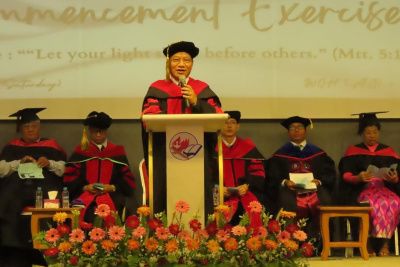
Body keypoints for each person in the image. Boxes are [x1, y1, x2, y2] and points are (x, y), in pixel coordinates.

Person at [141, 41, 223, 215]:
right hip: (165, 154)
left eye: (186, 60)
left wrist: (196, 102)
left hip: (198, 155)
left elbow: (218, 114)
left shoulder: (201, 89)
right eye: (176, 59)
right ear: (168, 63)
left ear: (192, 64)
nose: (181, 64)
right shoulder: (157, 89)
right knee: (165, 198)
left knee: (198, 198)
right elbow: (149, 117)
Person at [0, 108, 66, 247]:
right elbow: (1, 170)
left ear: (39, 127)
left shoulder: (51, 145)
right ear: (20, 129)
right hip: (17, 190)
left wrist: (49, 163)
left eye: (34, 126)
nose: (30, 130)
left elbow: (64, 170)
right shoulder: (12, 147)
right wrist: (18, 163)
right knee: (5, 202)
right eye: (26, 126)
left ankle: (48, 246)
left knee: (52, 202)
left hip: (45, 188)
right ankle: (10, 249)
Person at [338, 112, 400, 256]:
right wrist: (358, 178)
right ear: (362, 133)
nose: (372, 135)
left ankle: (385, 244)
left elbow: (397, 175)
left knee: (394, 202)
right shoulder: (353, 151)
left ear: (378, 132)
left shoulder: (389, 151)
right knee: (370, 204)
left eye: (374, 132)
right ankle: (367, 243)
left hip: (384, 188)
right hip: (362, 189)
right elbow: (346, 175)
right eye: (368, 132)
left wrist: (395, 178)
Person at [265, 116, 335, 237]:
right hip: (290, 191)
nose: (296, 130)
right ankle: (290, 244)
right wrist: (285, 182)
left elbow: (329, 173)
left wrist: (319, 181)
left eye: (300, 127)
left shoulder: (318, 153)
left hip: (315, 190)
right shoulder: (280, 155)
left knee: (324, 200)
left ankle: (320, 244)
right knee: (286, 201)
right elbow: (272, 176)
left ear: (305, 131)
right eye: (292, 128)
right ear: (288, 132)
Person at [63, 111, 136, 222]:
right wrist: (86, 187)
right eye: (94, 131)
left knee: (117, 209)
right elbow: (69, 180)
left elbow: (128, 182)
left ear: (106, 131)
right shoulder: (81, 152)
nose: (98, 134)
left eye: (101, 131)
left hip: (112, 196)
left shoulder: (117, 152)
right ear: (89, 131)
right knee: (85, 212)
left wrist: (111, 187)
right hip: (84, 196)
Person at [216, 111, 266, 228]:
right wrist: (218, 188)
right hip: (220, 196)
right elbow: (205, 175)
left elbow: (258, 173)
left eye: (232, 123)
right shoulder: (212, 149)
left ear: (238, 126)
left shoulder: (248, 148)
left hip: (246, 194)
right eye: (225, 123)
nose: (229, 126)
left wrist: (247, 185)